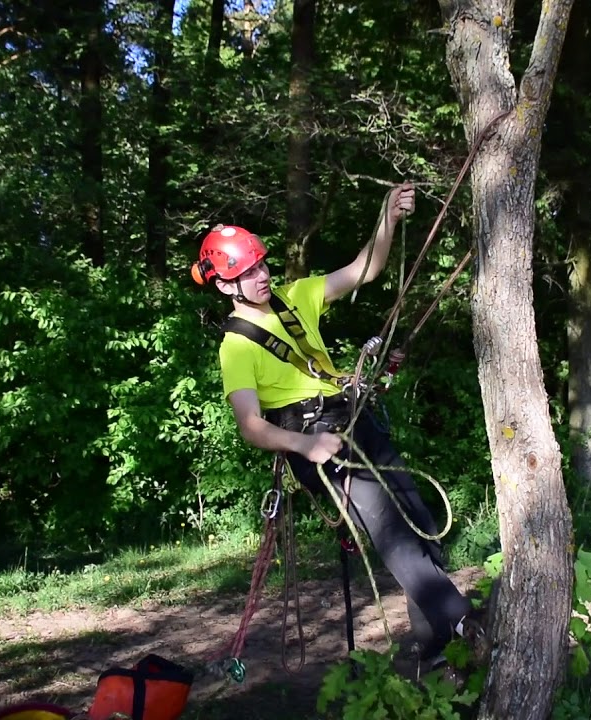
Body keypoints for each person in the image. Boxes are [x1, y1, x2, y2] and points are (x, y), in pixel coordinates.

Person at [190, 183, 477, 667]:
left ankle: (433, 647)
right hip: (313, 439)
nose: (261, 275)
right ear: (223, 284)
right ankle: (468, 623)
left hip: (353, 419)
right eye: (248, 271)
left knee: (422, 524)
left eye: (261, 264)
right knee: (388, 530)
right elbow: (250, 425)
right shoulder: (235, 347)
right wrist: (306, 445)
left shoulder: (295, 297)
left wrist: (386, 219)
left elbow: (366, 268)